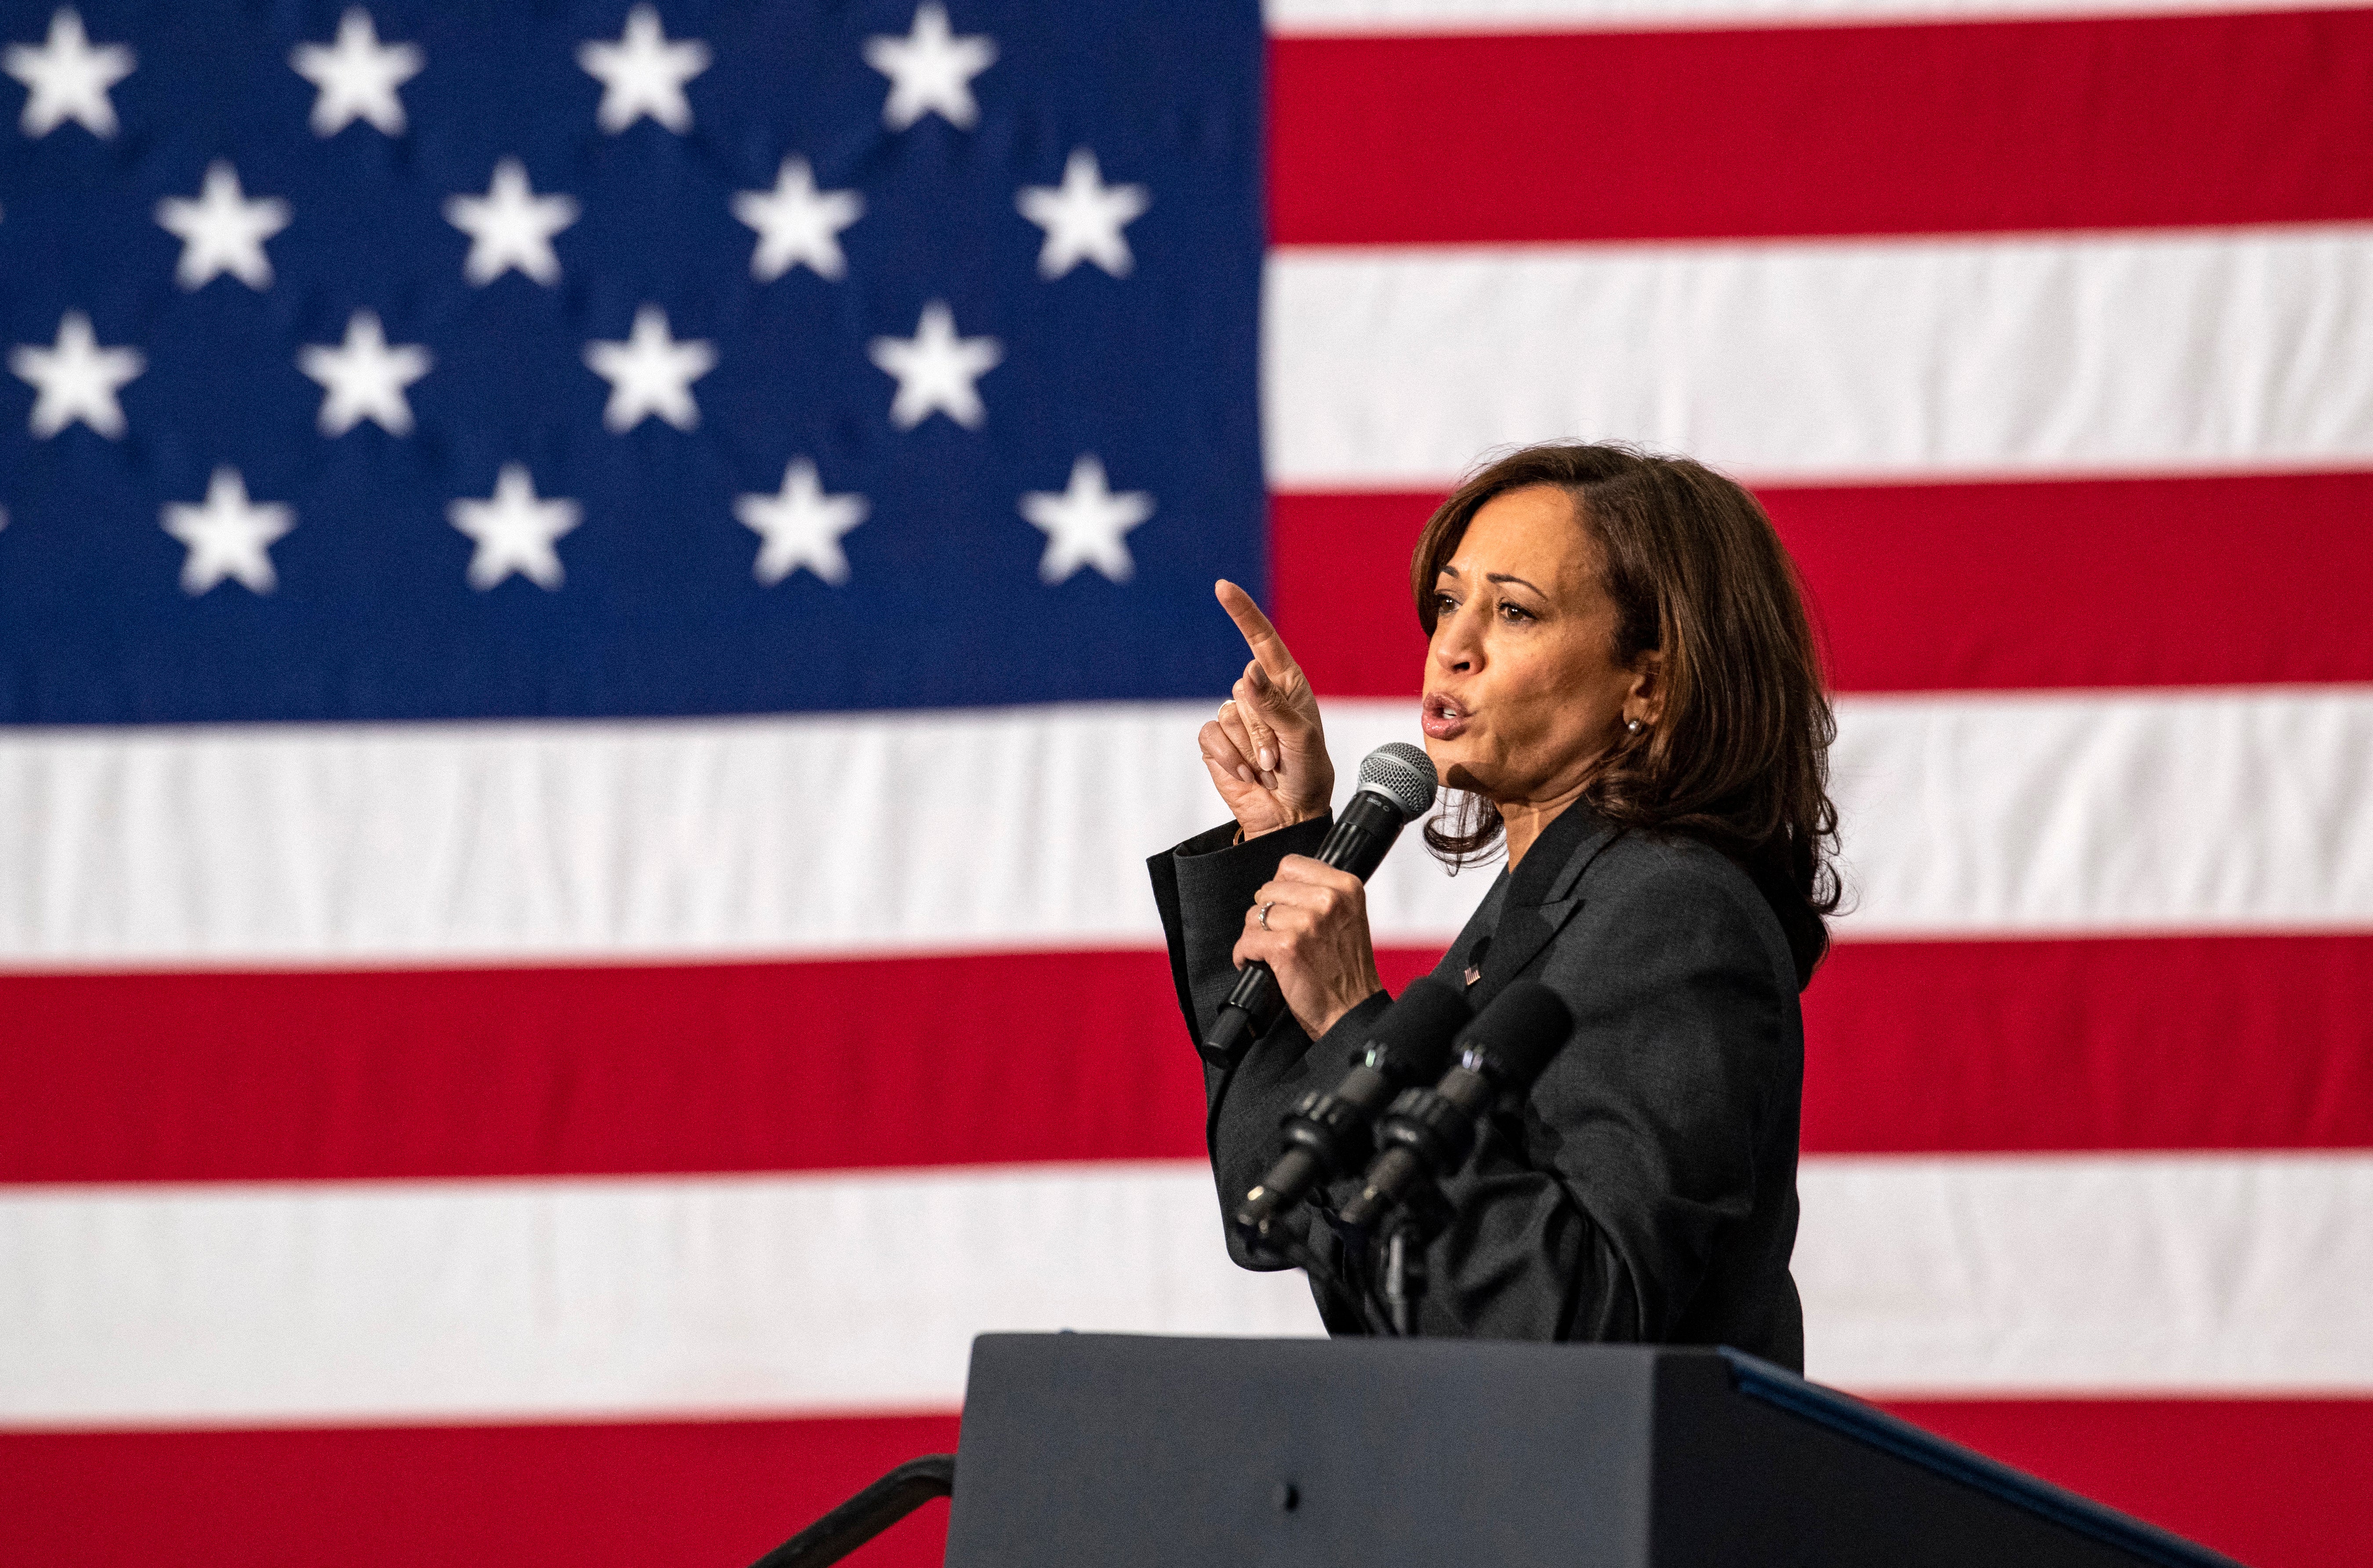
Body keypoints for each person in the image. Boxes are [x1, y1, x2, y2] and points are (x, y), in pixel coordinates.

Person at [1146, 442, 1839, 1368]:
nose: (1452, 647)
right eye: (1447, 601)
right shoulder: (1539, 904)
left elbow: (1575, 1316)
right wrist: (1286, 843)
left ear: (1650, 683)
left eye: (1513, 611)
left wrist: (1357, 1017)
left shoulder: (1673, 914)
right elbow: (1276, 1202)